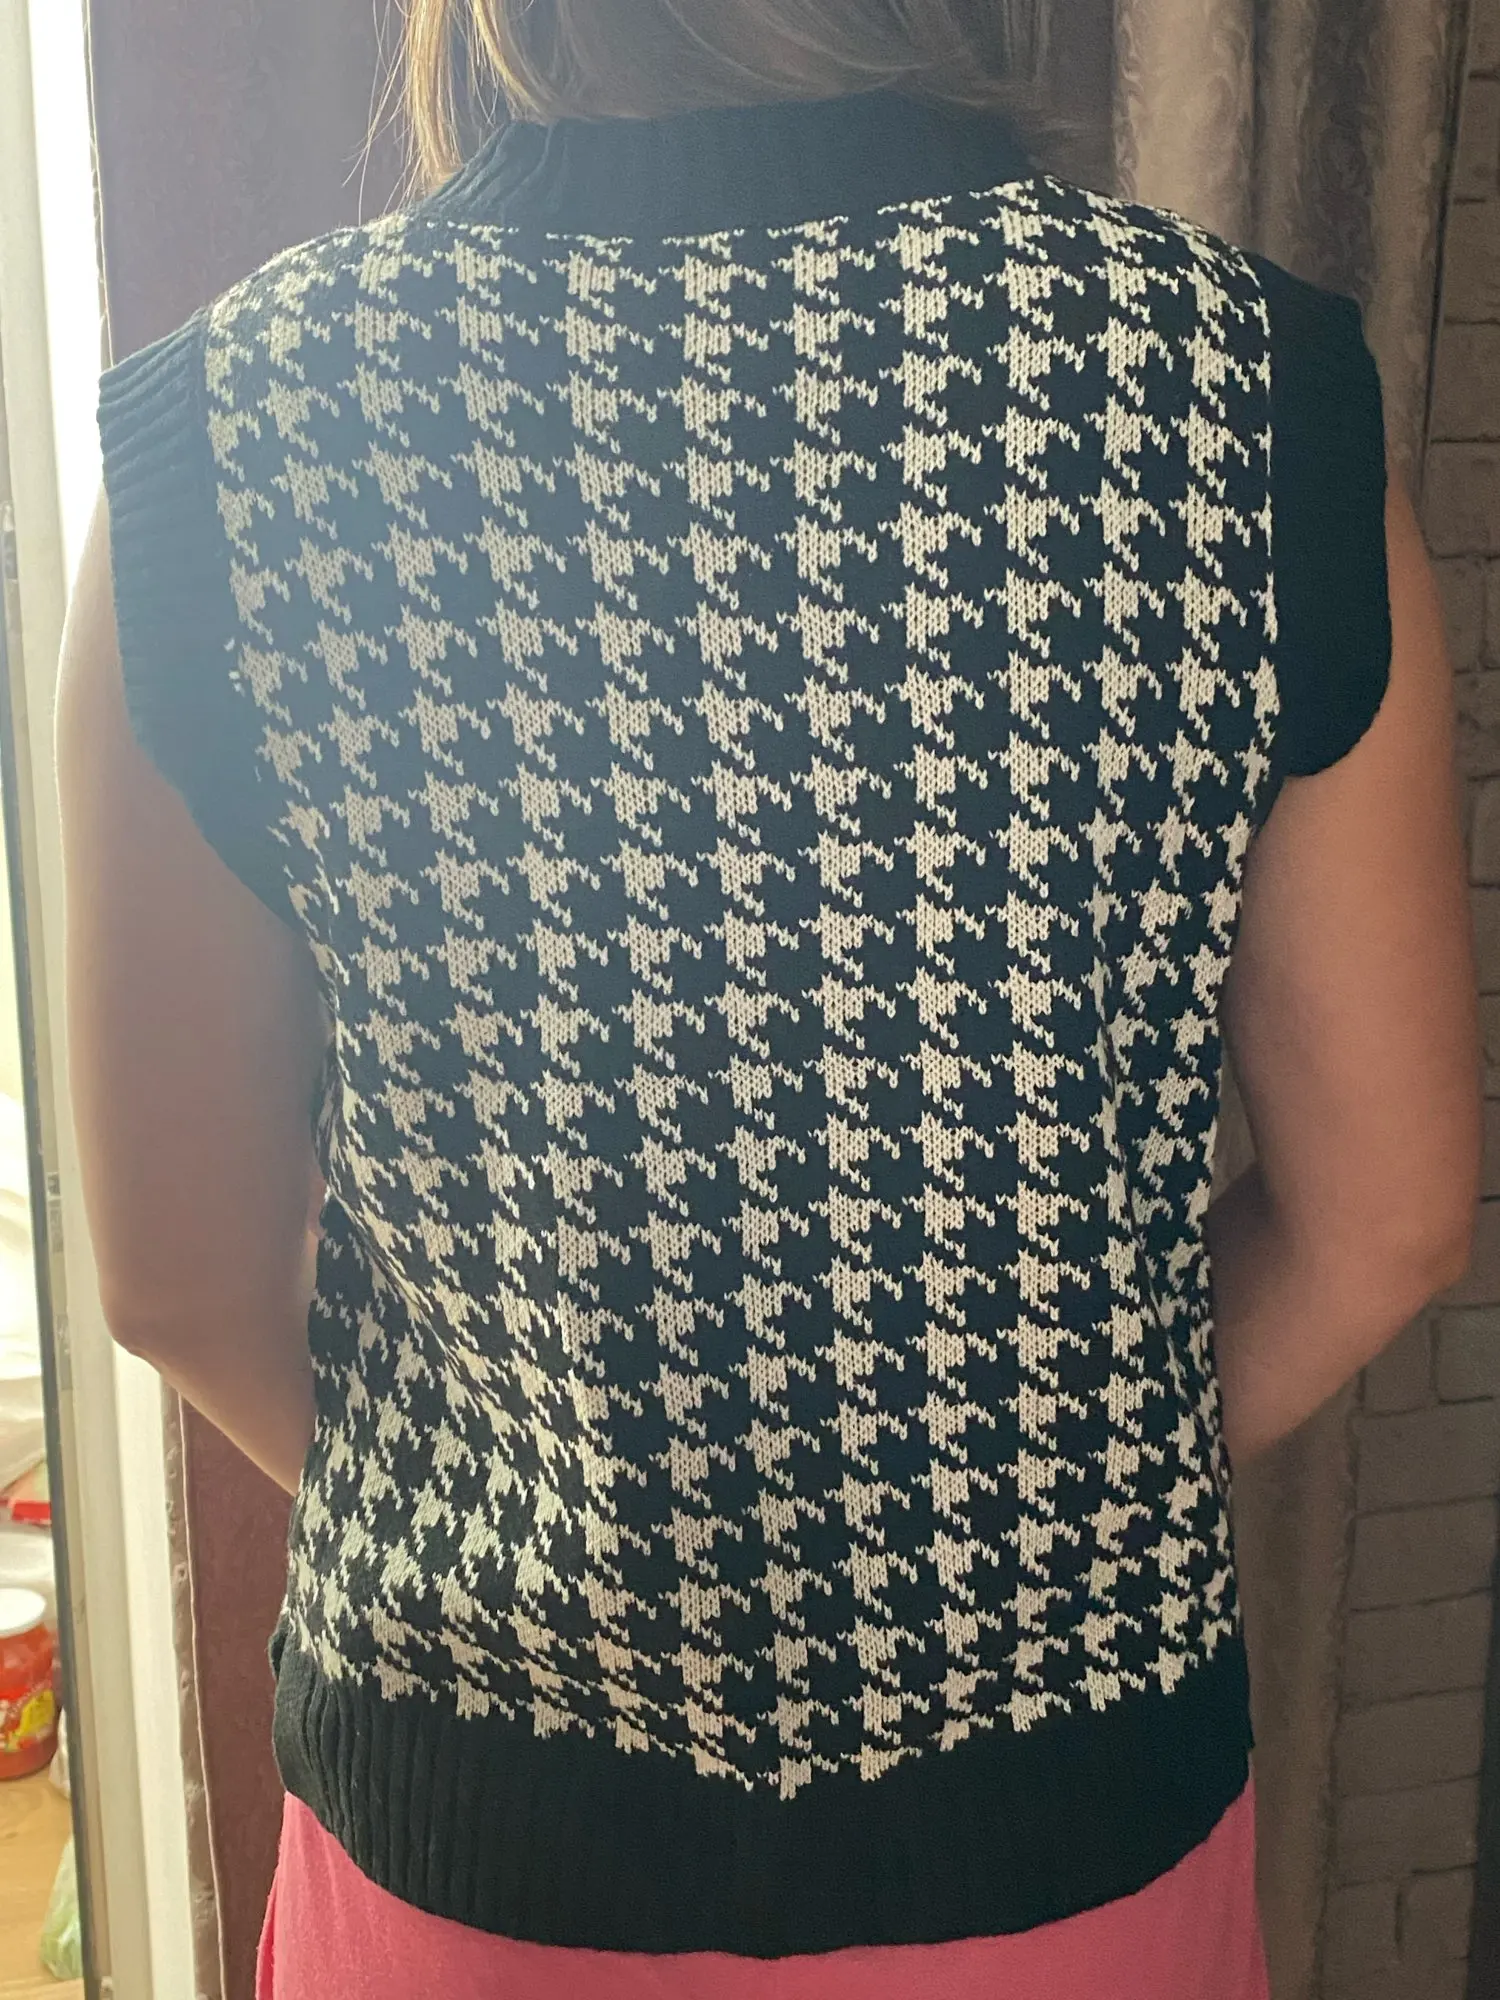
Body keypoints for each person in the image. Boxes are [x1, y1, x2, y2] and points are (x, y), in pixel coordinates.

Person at [58, 0, 1480, 1993]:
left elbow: (175, 1280)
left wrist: (578, 1550)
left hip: (474, 1863)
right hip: (1066, 1846)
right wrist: (1037, 1523)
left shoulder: (232, 436)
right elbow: (1388, 1213)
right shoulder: (1242, 397)